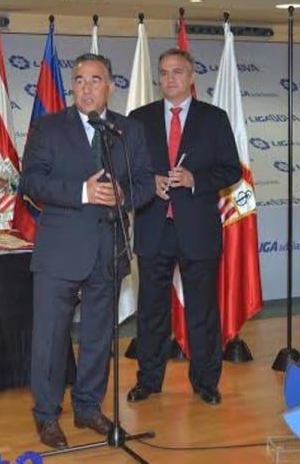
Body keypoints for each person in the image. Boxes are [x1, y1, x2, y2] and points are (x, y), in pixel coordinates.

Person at [21, 53, 154, 449]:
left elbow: (146, 182)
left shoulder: (128, 130)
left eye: (95, 80)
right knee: (49, 338)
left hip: (108, 247)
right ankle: (46, 415)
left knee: (98, 336)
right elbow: (32, 182)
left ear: (110, 86)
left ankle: (87, 406)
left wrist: (123, 196)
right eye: (79, 80)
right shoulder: (48, 127)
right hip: (60, 250)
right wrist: (82, 192)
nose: (86, 88)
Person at [127, 48, 241, 406]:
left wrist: (194, 179)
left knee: (202, 311)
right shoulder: (138, 118)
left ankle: (206, 382)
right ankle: (148, 380)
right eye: (163, 73)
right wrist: (151, 182)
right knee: (151, 311)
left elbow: (231, 170)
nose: (170, 79)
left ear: (192, 77)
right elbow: (127, 169)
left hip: (198, 230)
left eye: (177, 72)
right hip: (153, 227)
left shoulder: (214, 118)